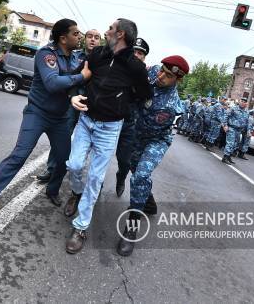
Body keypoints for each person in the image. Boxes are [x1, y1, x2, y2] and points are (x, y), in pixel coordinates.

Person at [0, 19, 89, 240]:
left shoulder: (76, 57)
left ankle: (52, 190)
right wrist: (82, 77)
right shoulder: (46, 54)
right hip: (37, 113)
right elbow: (52, 83)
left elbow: (72, 86)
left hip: (61, 118)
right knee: (18, 156)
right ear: (63, 38)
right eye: (76, 33)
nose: (80, 36)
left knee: (63, 159)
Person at [64, 18, 152, 255]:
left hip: (110, 129)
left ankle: (80, 227)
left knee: (95, 177)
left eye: (110, 29)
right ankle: (75, 192)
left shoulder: (136, 67)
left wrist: (121, 103)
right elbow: (79, 75)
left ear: (120, 34)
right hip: (85, 121)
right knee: (73, 165)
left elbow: (144, 95)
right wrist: (73, 95)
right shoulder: (98, 54)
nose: (106, 31)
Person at [117, 55, 188, 257]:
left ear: (177, 79)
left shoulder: (171, 105)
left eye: (167, 75)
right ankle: (147, 199)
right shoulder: (153, 72)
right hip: (136, 136)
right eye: (162, 70)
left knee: (140, 175)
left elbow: (147, 119)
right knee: (134, 170)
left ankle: (132, 227)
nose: (161, 76)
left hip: (155, 140)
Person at [36, 28, 103, 184]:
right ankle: (52, 169)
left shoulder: (103, 58)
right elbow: (67, 76)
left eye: (97, 37)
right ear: (84, 39)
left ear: (100, 41)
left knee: (97, 144)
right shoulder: (74, 56)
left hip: (93, 106)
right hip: (72, 101)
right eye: (90, 36)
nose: (93, 39)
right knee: (62, 136)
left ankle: (95, 181)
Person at [113, 37, 150, 197]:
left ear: (144, 57)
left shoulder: (146, 76)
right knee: (101, 158)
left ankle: (121, 177)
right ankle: (96, 188)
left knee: (125, 161)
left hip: (129, 124)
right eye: (134, 51)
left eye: (140, 53)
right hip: (110, 120)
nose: (136, 54)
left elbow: (148, 100)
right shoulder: (117, 67)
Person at [222, 98, 250, 164]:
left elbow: (247, 122)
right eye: (242, 101)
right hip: (232, 128)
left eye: (244, 102)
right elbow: (226, 116)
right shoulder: (233, 108)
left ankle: (229, 156)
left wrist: (248, 130)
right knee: (230, 143)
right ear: (239, 102)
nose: (243, 103)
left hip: (239, 130)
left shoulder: (246, 112)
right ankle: (225, 157)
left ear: (246, 104)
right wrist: (225, 125)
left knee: (235, 144)